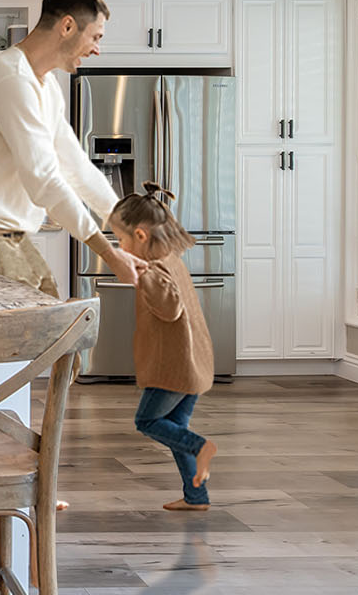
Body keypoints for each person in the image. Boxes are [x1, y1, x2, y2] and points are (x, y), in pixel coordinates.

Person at [0, 0, 143, 295]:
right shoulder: (12, 80)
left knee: (56, 334)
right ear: (68, 26)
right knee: (29, 339)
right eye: (95, 37)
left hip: (9, 237)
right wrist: (109, 253)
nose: (97, 49)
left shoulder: (46, 86)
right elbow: (44, 179)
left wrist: (121, 220)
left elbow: (76, 167)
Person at [113, 182, 218, 511]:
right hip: (194, 361)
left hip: (174, 367)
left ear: (141, 236)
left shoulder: (155, 271)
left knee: (147, 421)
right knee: (176, 428)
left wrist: (141, 276)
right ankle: (195, 496)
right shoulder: (172, 259)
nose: (120, 246)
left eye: (120, 240)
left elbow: (169, 308)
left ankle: (200, 447)